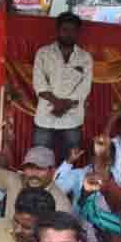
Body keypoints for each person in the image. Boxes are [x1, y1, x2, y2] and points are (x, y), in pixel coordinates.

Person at [0, 116, 72, 218]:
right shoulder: (14, 180)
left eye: (40, 168)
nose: (34, 174)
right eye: (29, 167)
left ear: (52, 171)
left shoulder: (61, 204)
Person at [32, 12, 93, 154]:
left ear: (77, 33)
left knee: (70, 160)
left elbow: (84, 88)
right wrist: (56, 102)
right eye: (65, 30)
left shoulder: (85, 58)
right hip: (45, 117)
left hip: (72, 118)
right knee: (40, 158)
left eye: (72, 30)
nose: (68, 34)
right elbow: (39, 82)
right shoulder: (43, 53)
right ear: (58, 30)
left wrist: (65, 105)